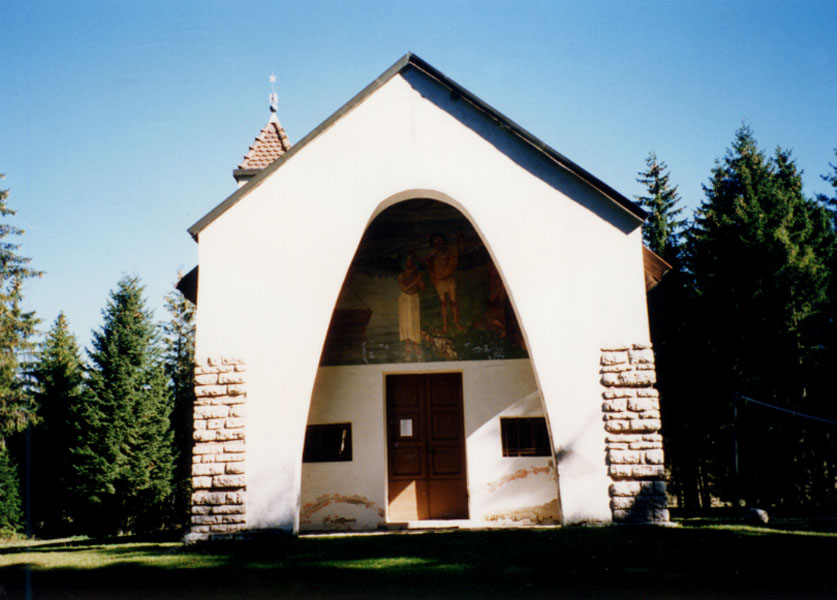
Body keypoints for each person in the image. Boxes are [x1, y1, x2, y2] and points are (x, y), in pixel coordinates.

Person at [423, 232, 465, 334]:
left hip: (449, 279)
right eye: (436, 243)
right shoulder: (433, 254)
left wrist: (460, 240)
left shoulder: (451, 250)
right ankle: (445, 325)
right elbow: (430, 267)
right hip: (439, 281)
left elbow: (459, 253)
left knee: (453, 302)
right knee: (443, 303)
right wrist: (433, 278)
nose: (438, 244)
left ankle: (456, 323)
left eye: (440, 241)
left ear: (444, 241)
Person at [397, 254, 425, 359]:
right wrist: (415, 282)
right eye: (408, 265)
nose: (410, 267)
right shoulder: (401, 276)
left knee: (415, 321)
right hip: (404, 298)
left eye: (412, 265)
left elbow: (424, 289)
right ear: (405, 265)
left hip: (414, 298)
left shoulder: (417, 275)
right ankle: (407, 346)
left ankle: (416, 344)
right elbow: (404, 289)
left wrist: (420, 281)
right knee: (405, 321)